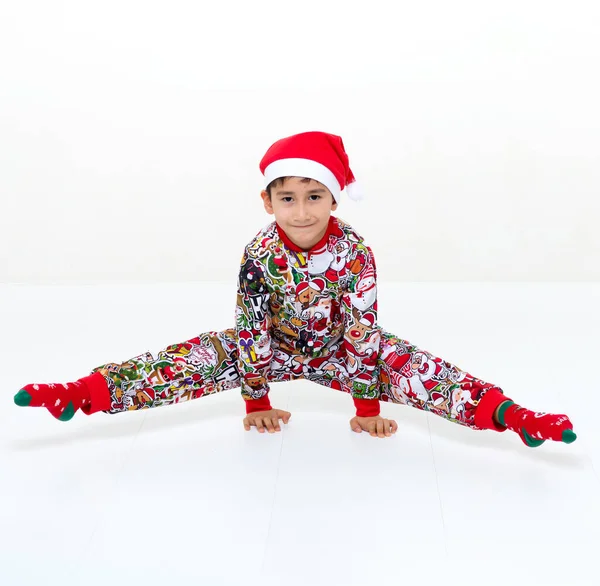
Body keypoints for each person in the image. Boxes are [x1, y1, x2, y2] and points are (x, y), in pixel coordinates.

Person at [14, 131, 576, 448]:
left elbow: (361, 328)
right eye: (288, 197)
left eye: (314, 195)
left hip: (340, 350)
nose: (301, 210)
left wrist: (366, 404)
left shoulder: (355, 252)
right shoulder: (260, 251)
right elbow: (251, 325)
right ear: (267, 202)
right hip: (273, 348)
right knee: (201, 354)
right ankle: (84, 393)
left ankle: (511, 416)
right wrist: (257, 399)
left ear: (333, 199)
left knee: (411, 363)